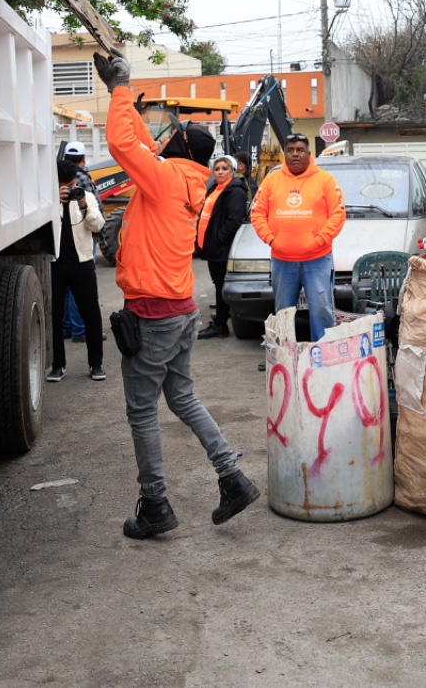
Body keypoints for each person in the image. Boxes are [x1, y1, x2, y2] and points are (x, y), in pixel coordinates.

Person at [94, 51, 260, 539]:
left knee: (142, 411)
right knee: (182, 397)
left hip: (153, 313)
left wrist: (121, 88)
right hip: (181, 308)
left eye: (168, 139)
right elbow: (145, 143)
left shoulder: (162, 178)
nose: (160, 141)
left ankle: (155, 506)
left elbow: (125, 143)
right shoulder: (189, 179)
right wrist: (122, 98)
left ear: (178, 149)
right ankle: (231, 476)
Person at [250, 134, 346, 341]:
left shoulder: (326, 180)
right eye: (291, 150)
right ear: (285, 154)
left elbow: (338, 214)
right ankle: (284, 353)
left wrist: (318, 241)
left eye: (300, 150)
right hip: (282, 261)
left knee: (322, 310)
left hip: (318, 260)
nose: (295, 154)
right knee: (283, 312)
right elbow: (257, 213)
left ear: (309, 154)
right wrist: (271, 239)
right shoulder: (271, 180)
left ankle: (322, 352)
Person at [49, 159, 106, 382]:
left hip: (82, 263)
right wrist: (55, 202)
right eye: (66, 185)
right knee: (54, 316)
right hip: (54, 264)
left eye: (72, 184)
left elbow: (98, 226)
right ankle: (58, 365)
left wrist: (82, 205)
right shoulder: (46, 200)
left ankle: (96, 364)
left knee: (91, 314)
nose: (70, 189)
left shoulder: (85, 196)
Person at [197, 156, 251, 339]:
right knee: (219, 285)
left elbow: (233, 220)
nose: (220, 171)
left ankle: (220, 325)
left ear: (232, 171)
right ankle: (220, 321)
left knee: (222, 286)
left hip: (222, 248)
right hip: (214, 247)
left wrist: (218, 239)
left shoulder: (234, 191)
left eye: (224, 168)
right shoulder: (217, 189)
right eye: (217, 168)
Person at [60, 142, 97, 343]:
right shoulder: (84, 180)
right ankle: (79, 329)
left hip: (63, 241)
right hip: (82, 237)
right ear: (83, 159)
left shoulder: (58, 181)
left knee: (65, 289)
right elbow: (97, 217)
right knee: (79, 290)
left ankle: (66, 327)